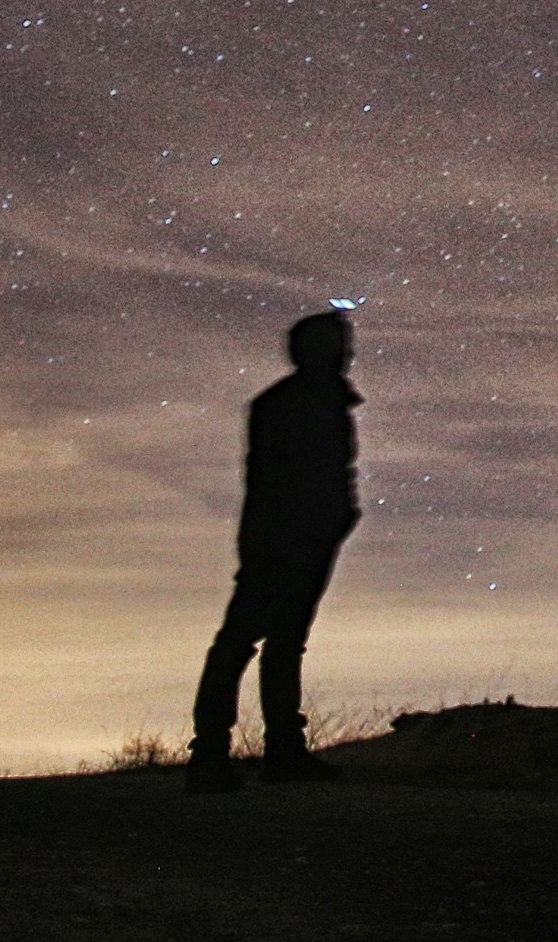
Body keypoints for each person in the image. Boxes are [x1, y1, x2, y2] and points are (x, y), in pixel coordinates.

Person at [187, 308, 361, 792]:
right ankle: (213, 757)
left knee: (279, 643)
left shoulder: (322, 403)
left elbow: (334, 473)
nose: (347, 354)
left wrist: (341, 517)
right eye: (337, 345)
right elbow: (271, 480)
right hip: (280, 538)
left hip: (306, 536)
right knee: (245, 641)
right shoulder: (288, 405)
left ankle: (275, 753)